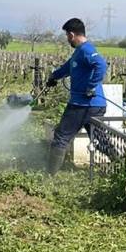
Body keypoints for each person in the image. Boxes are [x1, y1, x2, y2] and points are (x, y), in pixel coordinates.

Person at [45, 18, 108, 173]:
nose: (67, 39)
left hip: (82, 104)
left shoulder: (86, 50)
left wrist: (91, 86)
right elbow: (68, 67)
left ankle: (49, 176)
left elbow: (101, 65)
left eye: (67, 36)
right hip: (95, 105)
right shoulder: (79, 52)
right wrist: (54, 76)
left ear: (72, 34)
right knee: (100, 140)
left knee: (61, 137)